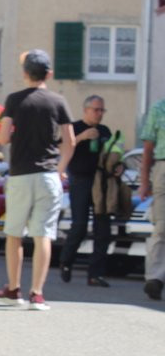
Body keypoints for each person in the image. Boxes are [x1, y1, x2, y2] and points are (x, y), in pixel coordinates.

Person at [0, 49, 75, 311]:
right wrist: (61, 168)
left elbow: (3, 138)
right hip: (48, 174)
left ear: (25, 73)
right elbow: (70, 141)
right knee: (44, 235)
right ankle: (37, 294)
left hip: (20, 174)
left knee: (14, 234)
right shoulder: (58, 101)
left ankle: (13, 288)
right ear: (48, 73)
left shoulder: (15, 100)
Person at [57, 96, 113, 287]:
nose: (99, 114)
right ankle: (66, 260)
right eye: (96, 110)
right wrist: (81, 137)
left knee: (102, 228)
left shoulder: (105, 131)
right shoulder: (74, 127)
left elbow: (113, 153)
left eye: (102, 110)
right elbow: (60, 147)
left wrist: (117, 165)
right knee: (79, 225)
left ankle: (95, 274)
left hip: (101, 182)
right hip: (80, 180)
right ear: (86, 110)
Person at [139, 96, 165, 300]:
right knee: (161, 226)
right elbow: (148, 148)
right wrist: (145, 181)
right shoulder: (159, 109)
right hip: (162, 169)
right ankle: (155, 279)